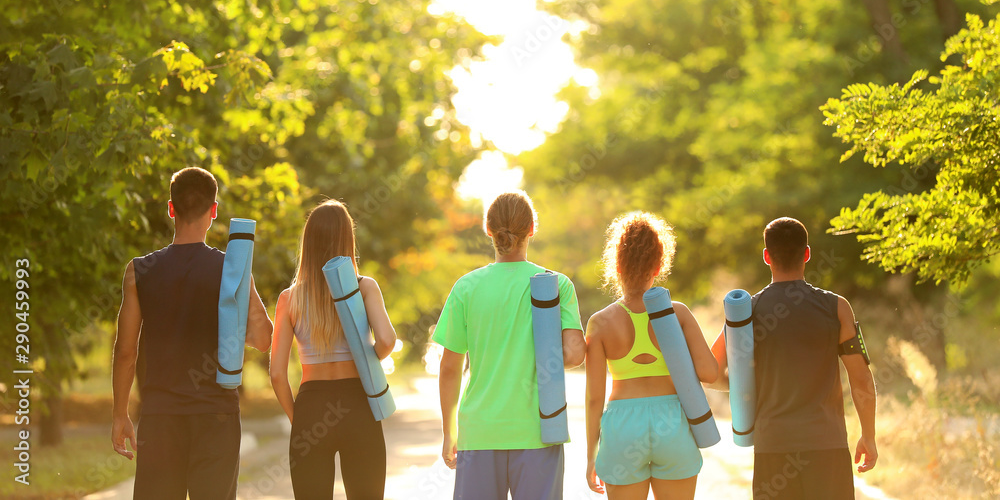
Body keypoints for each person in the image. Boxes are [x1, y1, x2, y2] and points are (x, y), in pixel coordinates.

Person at [111, 166, 273, 500]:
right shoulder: (231, 269)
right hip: (216, 417)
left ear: (171, 209)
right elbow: (263, 339)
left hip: (159, 417)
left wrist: (120, 414)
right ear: (214, 211)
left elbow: (126, 352)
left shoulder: (138, 271)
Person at [708, 217, 878, 500]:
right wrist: (868, 436)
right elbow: (860, 377)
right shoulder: (836, 307)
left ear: (766, 257)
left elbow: (711, 373)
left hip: (773, 448)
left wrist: (745, 382)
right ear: (807, 253)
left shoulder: (746, 312)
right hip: (828, 446)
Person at [433, 190, 586, 500]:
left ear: (488, 230)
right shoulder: (557, 285)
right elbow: (574, 354)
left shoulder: (466, 287)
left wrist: (450, 431)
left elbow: (450, 367)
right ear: (532, 229)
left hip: (479, 432)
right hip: (540, 431)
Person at [585, 211, 718, 499]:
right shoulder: (677, 313)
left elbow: (595, 397)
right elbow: (709, 373)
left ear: (616, 265)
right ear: (659, 266)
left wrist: (590, 456)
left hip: (623, 425)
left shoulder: (600, 322)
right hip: (672, 423)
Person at [269, 199, 396, 500]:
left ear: (308, 243)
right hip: (358, 405)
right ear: (347, 239)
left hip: (311, 408)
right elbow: (388, 341)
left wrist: (298, 418)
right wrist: (365, 361)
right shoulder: (364, 288)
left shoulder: (289, 299)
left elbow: (276, 374)